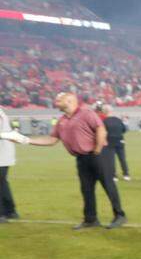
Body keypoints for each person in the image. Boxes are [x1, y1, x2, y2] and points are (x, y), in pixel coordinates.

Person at [2, 93, 126, 229]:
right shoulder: (62, 120)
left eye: (59, 99)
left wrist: (97, 149)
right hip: (81, 158)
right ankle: (90, 219)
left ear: (70, 101)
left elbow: (100, 129)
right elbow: (52, 140)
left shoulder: (86, 113)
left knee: (108, 185)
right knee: (86, 189)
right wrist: (26, 140)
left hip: (98, 155)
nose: (56, 101)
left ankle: (119, 215)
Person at [96, 102, 130, 181]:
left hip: (109, 143)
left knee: (111, 160)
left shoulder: (104, 122)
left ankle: (114, 176)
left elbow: (102, 132)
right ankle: (126, 174)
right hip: (120, 141)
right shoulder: (118, 120)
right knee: (122, 159)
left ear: (104, 112)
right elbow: (124, 129)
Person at [0, 105, 19, 221]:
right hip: (5, 154)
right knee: (2, 183)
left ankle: (1, 214)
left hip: (2, 154)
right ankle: (10, 211)